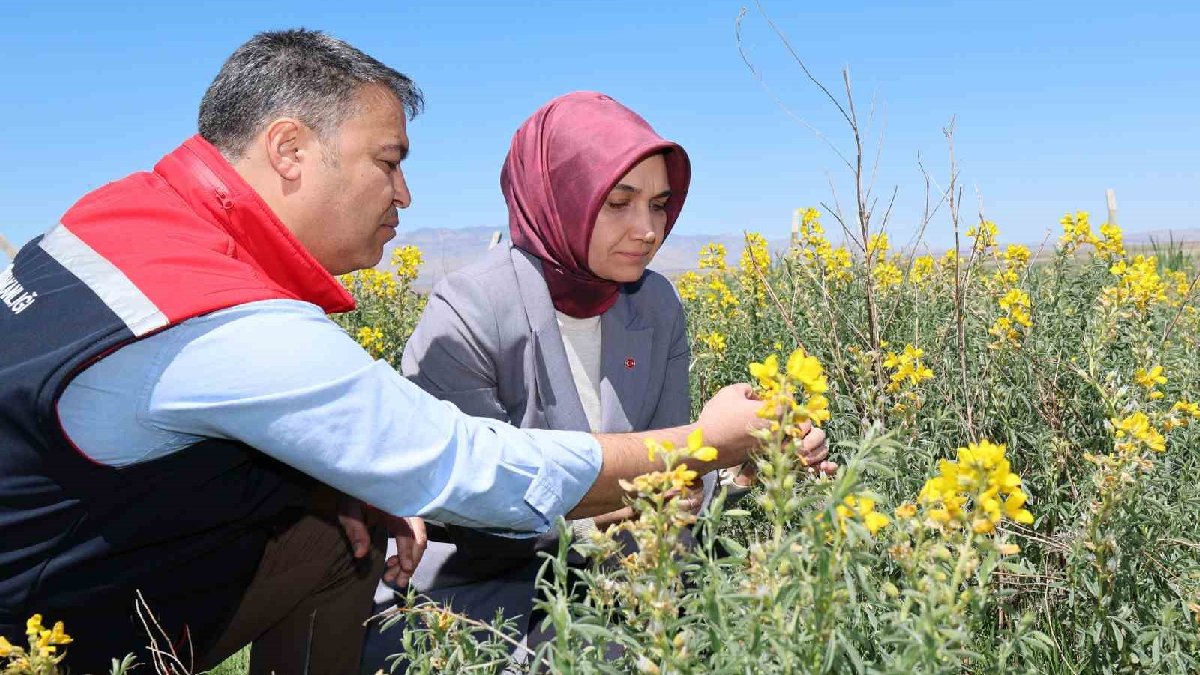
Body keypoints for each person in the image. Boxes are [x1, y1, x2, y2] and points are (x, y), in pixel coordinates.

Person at [0, 30, 796, 675]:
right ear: (289, 150)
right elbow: (467, 469)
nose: (406, 194)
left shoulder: (127, 220)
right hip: (33, 632)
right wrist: (705, 445)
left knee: (330, 528)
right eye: (389, 160)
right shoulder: (231, 321)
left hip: (60, 568)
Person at [360, 92, 833, 671]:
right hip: (477, 604)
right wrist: (685, 456)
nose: (647, 230)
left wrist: (741, 465)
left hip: (627, 584)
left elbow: (674, 477)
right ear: (559, 199)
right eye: (618, 202)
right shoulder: (470, 307)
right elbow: (479, 503)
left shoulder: (656, 304)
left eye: (659, 204)